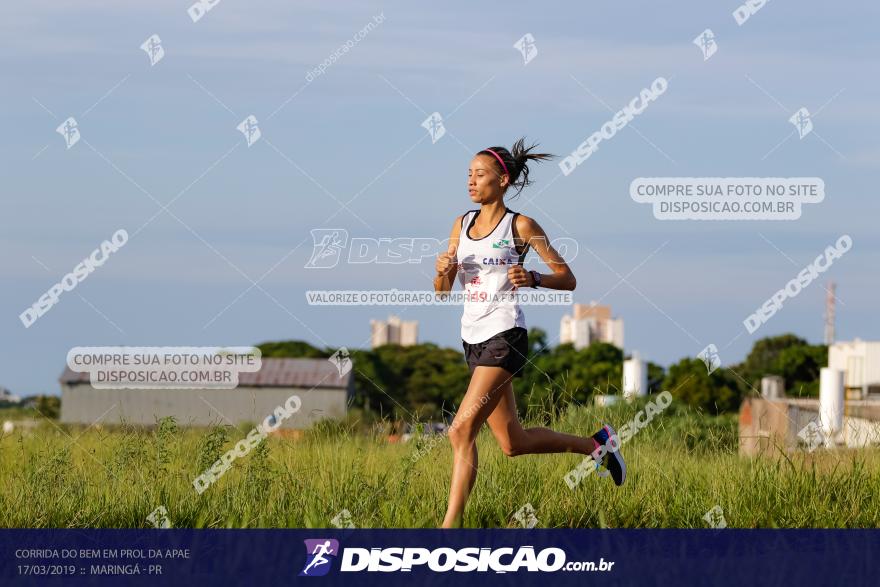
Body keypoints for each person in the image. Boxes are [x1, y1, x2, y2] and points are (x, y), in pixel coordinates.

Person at [433, 138, 625, 529]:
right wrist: (442, 269)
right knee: (512, 443)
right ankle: (597, 445)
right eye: (468, 173)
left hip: (505, 335)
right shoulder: (462, 223)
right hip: (472, 338)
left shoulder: (520, 225)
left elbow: (568, 279)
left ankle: (448, 530)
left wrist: (534, 277)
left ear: (503, 180)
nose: (471, 180)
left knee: (460, 430)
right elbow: (442, 291)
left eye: (480, 174)